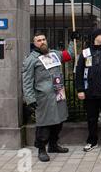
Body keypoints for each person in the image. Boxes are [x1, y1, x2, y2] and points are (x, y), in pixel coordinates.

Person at [22, 31, 78, 162]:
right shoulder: (31, 60)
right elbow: (27, 81)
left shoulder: (55, 54)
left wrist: (72, 41)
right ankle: (41, 149)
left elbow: (70, 55)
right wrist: (30, 99)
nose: (42, 42)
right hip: (44, 98)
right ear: (34, 43)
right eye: (39, 40)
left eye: (43, 39)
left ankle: (53, 145)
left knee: (59, 121)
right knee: (44, 124)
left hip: (58, 94)